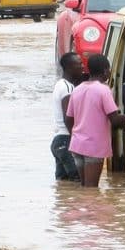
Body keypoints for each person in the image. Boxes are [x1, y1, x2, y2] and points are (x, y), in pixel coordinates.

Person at [65, 54, 125, 187]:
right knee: (91, 191)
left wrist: (75, 135)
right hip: (93, 147)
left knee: (84, 187)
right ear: (104, 70)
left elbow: (68, 119)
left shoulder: (77, 89)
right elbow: (115, 120)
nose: (109, 72)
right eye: (108, 70)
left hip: (77, 146)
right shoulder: (103, 90)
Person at [51, 52, 84, 181]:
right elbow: (68, 117)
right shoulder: (67, 88)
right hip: (66, 141)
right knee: (78, 183)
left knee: (63, 187)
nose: (82, 67)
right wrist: (77, 140)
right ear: (69, 67)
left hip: (58, 142)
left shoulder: (60, 84)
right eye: (79, 64)